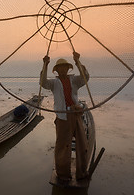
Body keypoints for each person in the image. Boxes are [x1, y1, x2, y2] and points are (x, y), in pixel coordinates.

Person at [40, 51, 90, 183]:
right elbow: (43, 82)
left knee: (81, 143)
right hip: (62, 117)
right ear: (57, 70)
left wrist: (77, 61)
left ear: (68, 69)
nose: (63, 70)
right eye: (60, 68)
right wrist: (45, 65)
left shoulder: (74, 80)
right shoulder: (54, 83)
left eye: (65, 67)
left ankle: (81, 172)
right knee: (62, 146)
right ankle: (63, 174)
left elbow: (85, 77)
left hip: (75, 114)